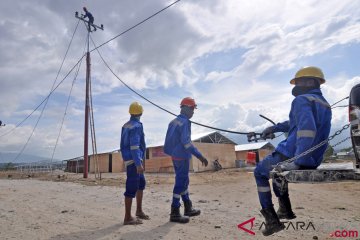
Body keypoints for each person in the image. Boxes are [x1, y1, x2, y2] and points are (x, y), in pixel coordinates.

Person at [254, 66, 332, 236]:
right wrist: (274, 128)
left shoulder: (301, 100)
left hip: (294, 153)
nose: (296, 86)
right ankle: (285, 209)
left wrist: (298, 160)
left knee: (260, 172)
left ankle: (272, 220)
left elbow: (307, 129)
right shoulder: (323, 104)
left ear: (311, 81)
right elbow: (296, 123)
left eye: (299, 82)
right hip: (314, 158)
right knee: (277, 173)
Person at [164, 97, 209, 223]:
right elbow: (187, 143)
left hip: (175, 156)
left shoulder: (173, 122)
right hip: (182, 157)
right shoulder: (184, 123)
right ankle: (175, 212)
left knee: (184, 181)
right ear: (186, 108)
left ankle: (188, 207)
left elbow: (168, 142)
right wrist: (200, 156)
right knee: (180, 183)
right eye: (193, 109)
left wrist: (173, 153)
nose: (193, 112)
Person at [120, 102, 150, 225]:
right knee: (132, 186)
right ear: (141, 113)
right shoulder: (136, 126)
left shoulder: (126, 125)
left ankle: (138, 210)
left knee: (141, 183)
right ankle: (127, 217)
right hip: (134, 160)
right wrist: (138, 163)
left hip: (133, 159)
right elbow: (134, 146)